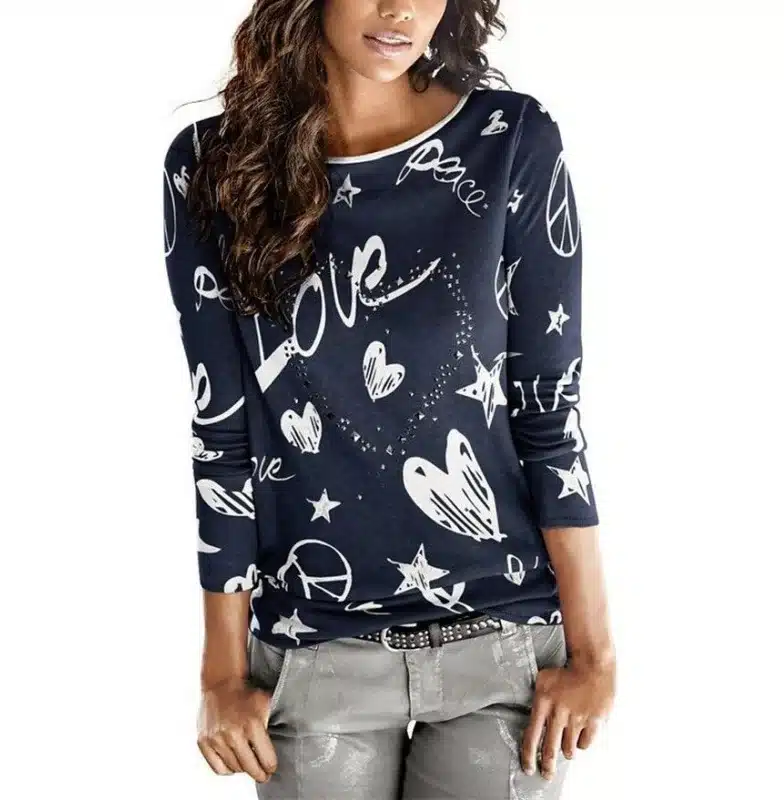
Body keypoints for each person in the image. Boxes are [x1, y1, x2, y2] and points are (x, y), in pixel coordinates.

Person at [161, 1, 616, 797]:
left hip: (502, 644)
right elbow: (221, 431)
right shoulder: (211, 166)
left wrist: (595, 656)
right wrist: (220, 676)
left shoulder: (509, 142)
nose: (401, 10)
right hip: (314, 651)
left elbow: (548, 407)